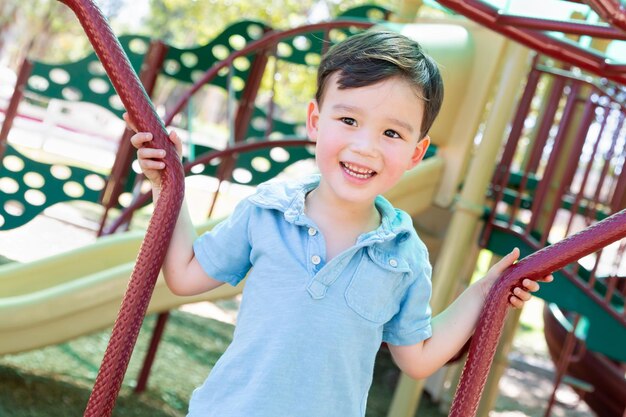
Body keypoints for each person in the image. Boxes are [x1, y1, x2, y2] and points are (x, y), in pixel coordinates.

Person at [125, 29, 552, 417]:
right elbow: (182, 275)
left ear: (416, 154)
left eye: (392, 134)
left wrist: (485, 292)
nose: (365, 146)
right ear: (315, 121)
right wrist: (169, 184)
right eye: (348, 121)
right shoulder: (268, 211)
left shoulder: (404, 254)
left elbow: (418, 357)